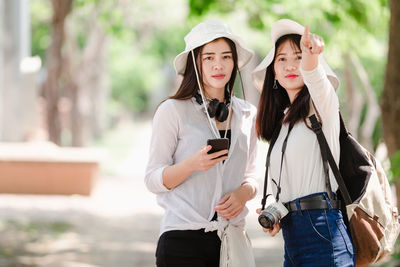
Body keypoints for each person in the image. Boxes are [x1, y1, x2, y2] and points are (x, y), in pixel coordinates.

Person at [145, 19, 258, 267]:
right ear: (196, 63)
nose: (218, 65)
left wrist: (244, 193)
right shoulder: (172, 111)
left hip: (232, 241)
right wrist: (192, 164)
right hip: (182, 242)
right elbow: (152, 179)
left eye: (226, 57)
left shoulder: (248, 113)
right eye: (209, 57)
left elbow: (251, 175)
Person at [253, 19, 355, 266]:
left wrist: (311, 56)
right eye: (282, 59)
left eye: (297, 57)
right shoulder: (283, 123)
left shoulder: (322, 104)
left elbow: (315, 77)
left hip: (324, 231)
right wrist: (274, 212)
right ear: (273, 72)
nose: (291, 66)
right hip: (293, 236)